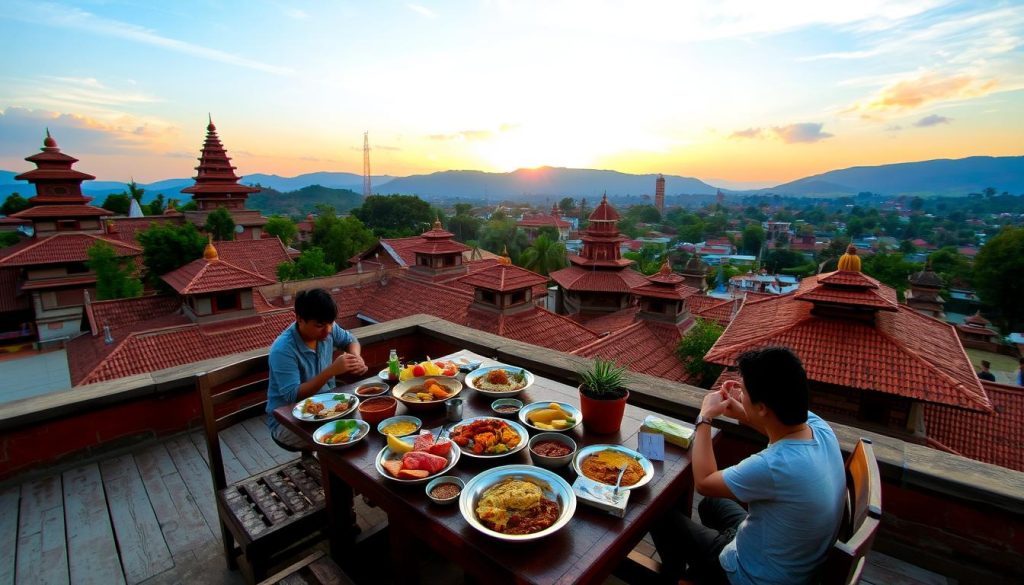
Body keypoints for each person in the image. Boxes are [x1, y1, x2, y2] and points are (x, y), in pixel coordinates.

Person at [651, 347, 846, 585]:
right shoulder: (819, 428)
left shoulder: (776, 465)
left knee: (656, 513)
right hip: (790, 559)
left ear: (763, 407)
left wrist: (705, 417)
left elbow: (704, 481)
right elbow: (773, 424)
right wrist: (742, 411)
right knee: (711, 505)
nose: (740, 395)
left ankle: (680, 576)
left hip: (750, 575)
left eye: (743, 391)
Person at [265, 288, 368, 449]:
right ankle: (333, 472)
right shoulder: (283, 349)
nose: (327, 331)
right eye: (320, 325)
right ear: (299, 319)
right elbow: (292, 395)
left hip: (327, 408)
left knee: (363, 418)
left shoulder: (327, 329)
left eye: (330, 323)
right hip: (287, 422)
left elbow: (350, 340)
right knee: (342, 437)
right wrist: (331, 371)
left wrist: (356, 357)